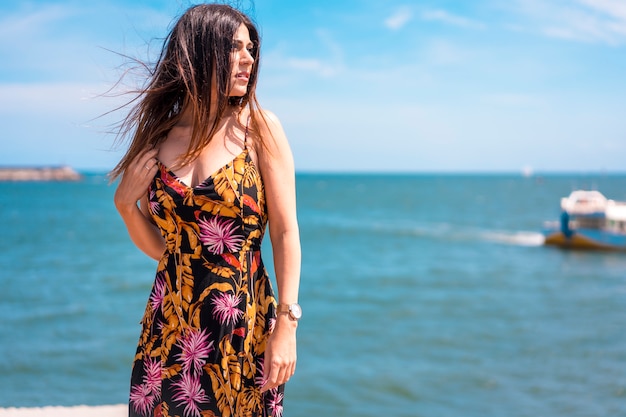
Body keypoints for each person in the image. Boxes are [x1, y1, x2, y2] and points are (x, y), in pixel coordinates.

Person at [109, 4, 301, 417]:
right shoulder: (158, 138)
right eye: (234, 48)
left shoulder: (260, 130)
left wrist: (286, 323)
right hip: (168, 324)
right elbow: (168, 250)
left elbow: (285, 232)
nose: (249, 59)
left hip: (241, 325)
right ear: (199, 51)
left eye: (251, 49)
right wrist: (125, 207)